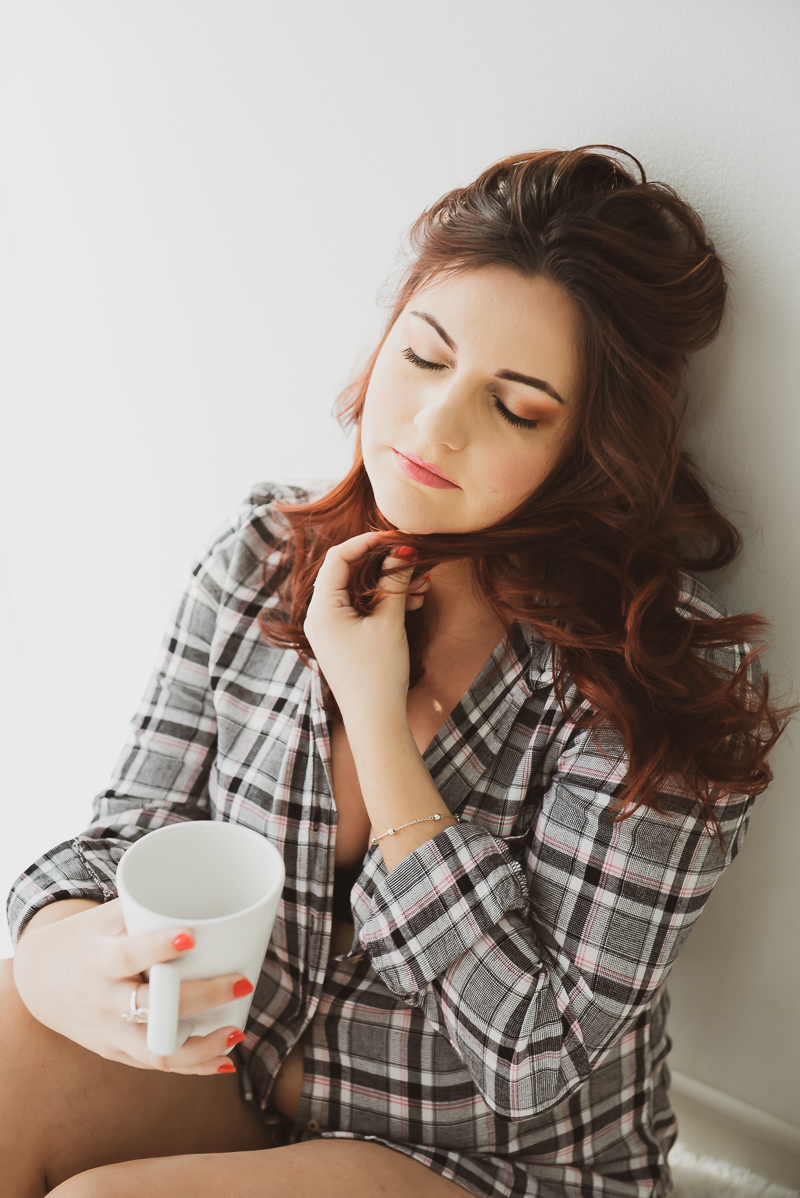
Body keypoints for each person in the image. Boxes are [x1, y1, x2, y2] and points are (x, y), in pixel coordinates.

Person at [2, 146, 790, 1198]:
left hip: (495, 1161)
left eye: (514, 407)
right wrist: (52, 946)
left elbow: (531, 1056)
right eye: (422, 358)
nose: (431, 426)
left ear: (593, 447)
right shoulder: (261, 558)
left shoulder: (660, 688)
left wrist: (376, 723)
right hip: (241, 1078)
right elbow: (124, 834)